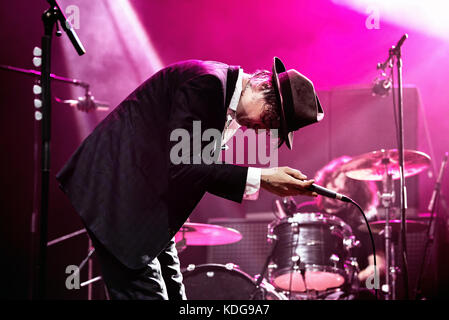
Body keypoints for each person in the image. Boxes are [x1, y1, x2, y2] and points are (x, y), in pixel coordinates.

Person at [56, 57, 324, 300]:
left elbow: (190, 166)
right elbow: (185, 167)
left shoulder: (222, 96)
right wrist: (262, 177)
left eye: (273, 129)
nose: (264, 129)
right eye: (271, 119)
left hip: (146, 207)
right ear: (261, 84)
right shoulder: (208, 85)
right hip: (118, 194)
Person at [312, 155, 386, 297]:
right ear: (325, 182)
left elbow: (379, 267)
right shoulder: (305, 213)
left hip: (351, 293)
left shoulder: (364, 218)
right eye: (333, 186)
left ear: (355, 195)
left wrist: (351, 282)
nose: (335, 194)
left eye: (343, 192)